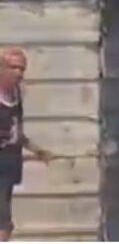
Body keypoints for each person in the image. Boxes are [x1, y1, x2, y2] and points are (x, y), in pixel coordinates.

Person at [0, 48, 53, 242]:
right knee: (3, 224)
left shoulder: (16, 95)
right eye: (13, 68)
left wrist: (37, 150)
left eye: (22, 69)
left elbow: (16, 131)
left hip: (9, 164)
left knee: (4, 222)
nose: (18, 73)